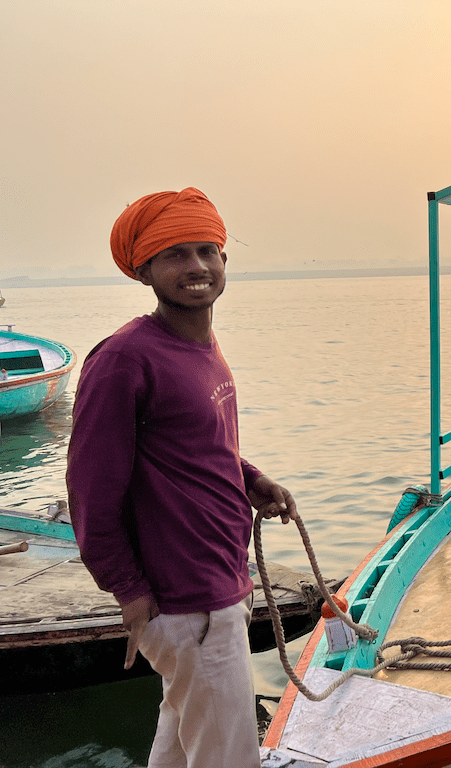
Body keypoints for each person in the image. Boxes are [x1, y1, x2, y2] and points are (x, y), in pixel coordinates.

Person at [66, 187, 296, 768]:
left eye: (206, 251)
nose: (195, 267)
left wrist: (251, 479)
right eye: (175, 255)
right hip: (183, 602)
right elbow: (90, 494)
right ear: (143, 270)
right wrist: (130, 590)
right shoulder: (124, 359)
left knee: (180, 742)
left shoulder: (201, 345)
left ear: (224, 261)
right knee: (228, 757)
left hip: (218, 583)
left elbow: (199, 446)